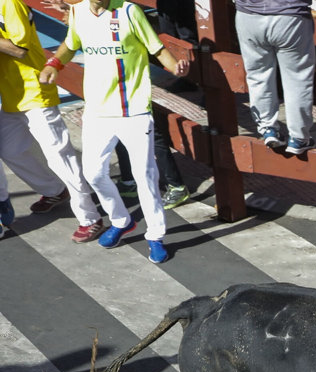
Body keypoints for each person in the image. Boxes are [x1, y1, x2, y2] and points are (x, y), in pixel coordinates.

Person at [40, 0, 190, 263]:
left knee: (145, 176)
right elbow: (70, 44)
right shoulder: (77, 12)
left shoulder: (129, 12)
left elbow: (157, 48)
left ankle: (155, 236)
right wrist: (53, 63)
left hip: (134, 109)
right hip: (98, 110)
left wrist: (175, 66)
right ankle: (121, 220)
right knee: (94, 173)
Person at [0, 0, 105, 242]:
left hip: (35, 91)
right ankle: (55, 190)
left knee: (60, 156)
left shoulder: (9, 4)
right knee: (11, 151)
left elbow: (19, 49)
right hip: (11, 95)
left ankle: (90, 218)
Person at [234, 0, 316, 154]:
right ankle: (299, 137)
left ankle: (268, 129)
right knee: (297, 79)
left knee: (257, 75)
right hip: (290, 15)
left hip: (248, 14)